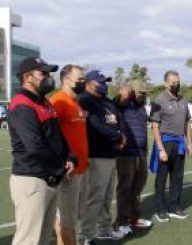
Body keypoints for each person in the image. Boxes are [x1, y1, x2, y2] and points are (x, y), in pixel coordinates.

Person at [8, 57, 76, 245]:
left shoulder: (44, 102)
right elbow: (34, 146)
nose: (48, 77)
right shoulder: (21, 103)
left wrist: (70, 156)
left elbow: (58, 136)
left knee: (43, 238)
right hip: (32, 180)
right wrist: (61, 168)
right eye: (43, 73)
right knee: (28, 240)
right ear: (27, 77)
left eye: (49, 73)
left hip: (49, 179)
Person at [78, 70, 126, 244]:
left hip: (110, 155)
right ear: (89, 83)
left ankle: (104, 229)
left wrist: (121, 135)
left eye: (105, 81)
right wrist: (117, 136)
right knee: (95, 198)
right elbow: (94, 124)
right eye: (100, 82)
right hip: (96, 155)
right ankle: (86, 235)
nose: (104, 85)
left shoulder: (107, 102)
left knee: (106, 196)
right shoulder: (84, 100)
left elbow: (118, 120)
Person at [49, 65, 88, 245]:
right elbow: (50, 136)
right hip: (69, 171)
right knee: (68, 221)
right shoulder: (59, 101)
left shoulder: (75, 101)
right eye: (80, 78)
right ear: (66, 80)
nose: (83, 81)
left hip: (80, 169)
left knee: (69, 217)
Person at [149, 70, 192, 222]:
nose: (176, 84)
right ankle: (161, 209)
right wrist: (160, 149)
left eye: (178, 81)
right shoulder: (159, 100)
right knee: (161, 178)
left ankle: (174, 206)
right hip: (165, 142)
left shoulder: (183, 100)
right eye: (173, 81)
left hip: (180, 143)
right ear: (166, 83)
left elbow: (187, 123)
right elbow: (155, 126)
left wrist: (189, 142)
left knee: (177, 177)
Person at [113, 80, 152, 236]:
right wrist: (123, 94)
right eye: (140, 93)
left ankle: (133, 218)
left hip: (141, 153)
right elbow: (116, 101)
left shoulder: (142, 108)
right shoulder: (122, 106)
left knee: (138, 186)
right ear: (132, 93)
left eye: (145, 93)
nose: (143, 95)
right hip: (126, 154)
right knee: (125, 188)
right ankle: (120, 222)